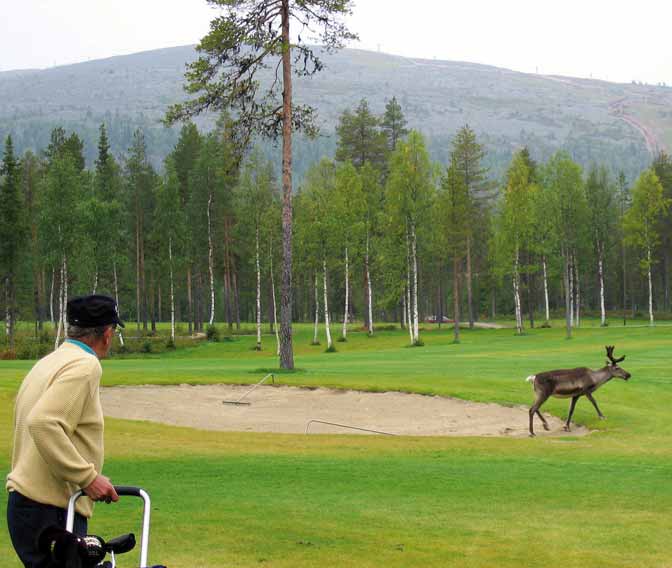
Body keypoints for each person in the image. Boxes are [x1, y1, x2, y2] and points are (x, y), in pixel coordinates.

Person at [6, 294, 123, 567]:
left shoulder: (50, 361)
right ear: (107, 333)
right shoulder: (85, 365)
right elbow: (43, 422)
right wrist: (88, 478)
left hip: (26, 507)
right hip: (51, 509)